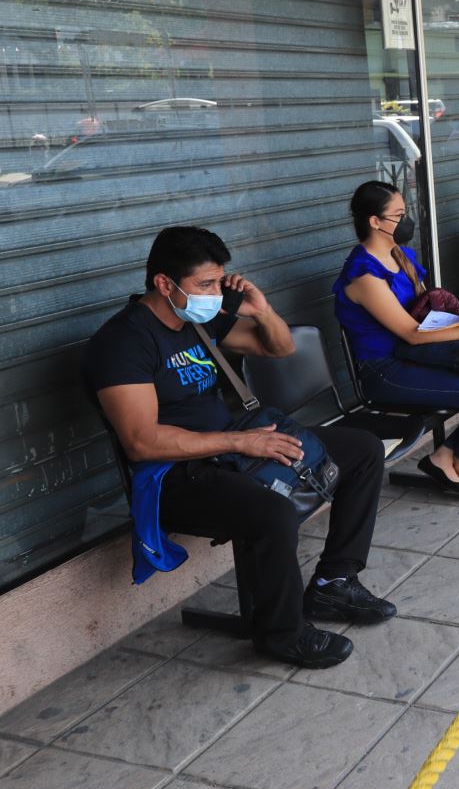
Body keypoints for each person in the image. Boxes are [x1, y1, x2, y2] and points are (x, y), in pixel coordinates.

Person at [86, 226, 393, 669]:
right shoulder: (123, 342)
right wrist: (243, 441)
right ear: (163, 284)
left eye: (218, 282)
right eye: (204, 285)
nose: (215, 293)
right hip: (175, 475)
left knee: (362, 450)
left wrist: (262, 310)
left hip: (234, 449)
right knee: (271, 513)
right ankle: (280, 634)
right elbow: (141, 442)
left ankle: (334, 582)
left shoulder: (200, 319)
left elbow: (281, 347)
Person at [335, 181, 459, 497]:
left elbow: (425, 313)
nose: (406, 220)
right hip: (387, 369)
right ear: (375, 221)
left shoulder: (401, 255)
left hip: (420, 354)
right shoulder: (364, 275)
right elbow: (411, 332)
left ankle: (445, 455)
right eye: (398, 215)